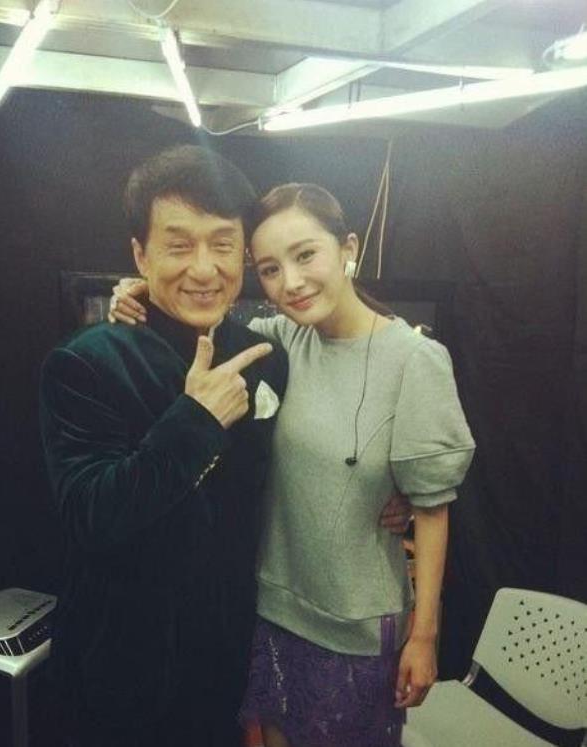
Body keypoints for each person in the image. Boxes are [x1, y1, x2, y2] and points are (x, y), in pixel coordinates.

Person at [41, 148, 409, 747]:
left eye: (222, 245)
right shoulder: (87, 363)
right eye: (178, 246)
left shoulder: (266, 353)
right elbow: (90, 516)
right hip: (124, 667)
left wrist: (392, 491)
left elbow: (311, 449)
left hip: (230, 652)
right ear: (141, 255)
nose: (204, 269)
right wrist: (195, 419)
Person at [110, 182, 475, 747]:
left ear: (348, 248)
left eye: (306, 255)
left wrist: (425, 637)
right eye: (271, 269)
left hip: (354, 627)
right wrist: (136, 290)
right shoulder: (275, 342)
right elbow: (195, 313)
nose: (292, 282)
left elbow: (431, 509)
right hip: (270, 610)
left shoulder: (414, 360)